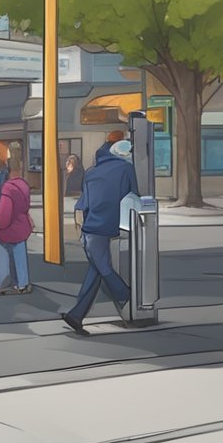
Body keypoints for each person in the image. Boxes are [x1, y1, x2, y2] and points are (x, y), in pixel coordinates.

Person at [62, 139, 138, 335]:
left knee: (96, 271)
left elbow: (83, 202)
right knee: (103, 268)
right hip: (108, 226)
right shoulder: (126, 169)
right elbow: (135, 195)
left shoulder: (91, 172)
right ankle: (127, 295)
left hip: (90, 228)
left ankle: (76, 315)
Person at [0, 158, 33, 296]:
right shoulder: (24, 185)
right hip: (22, 227)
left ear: (7, 170)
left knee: (5, 257)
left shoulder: (8, 187)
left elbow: (4, 212)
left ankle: (3, 284)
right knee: (19, 257)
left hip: (8, 230)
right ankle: (22, 283)